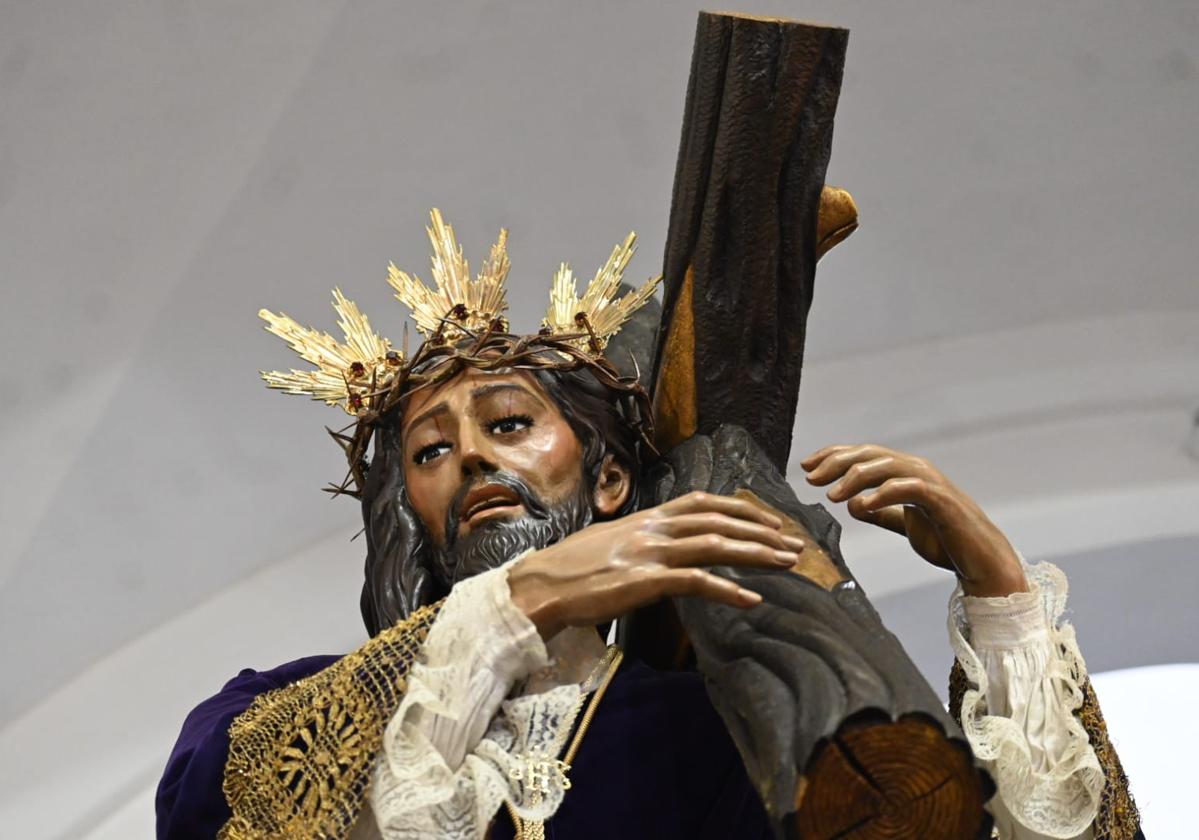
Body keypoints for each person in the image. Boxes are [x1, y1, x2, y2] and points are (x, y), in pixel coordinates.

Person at [157, 211, 1141, 840]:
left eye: (509, 424)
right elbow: (220, 814)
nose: (473, 458)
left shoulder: (717, 731)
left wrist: (1003, 604)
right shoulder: (275, 712)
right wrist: (515, 605)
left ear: (612, 479)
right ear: (409, 512)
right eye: (429, 450)